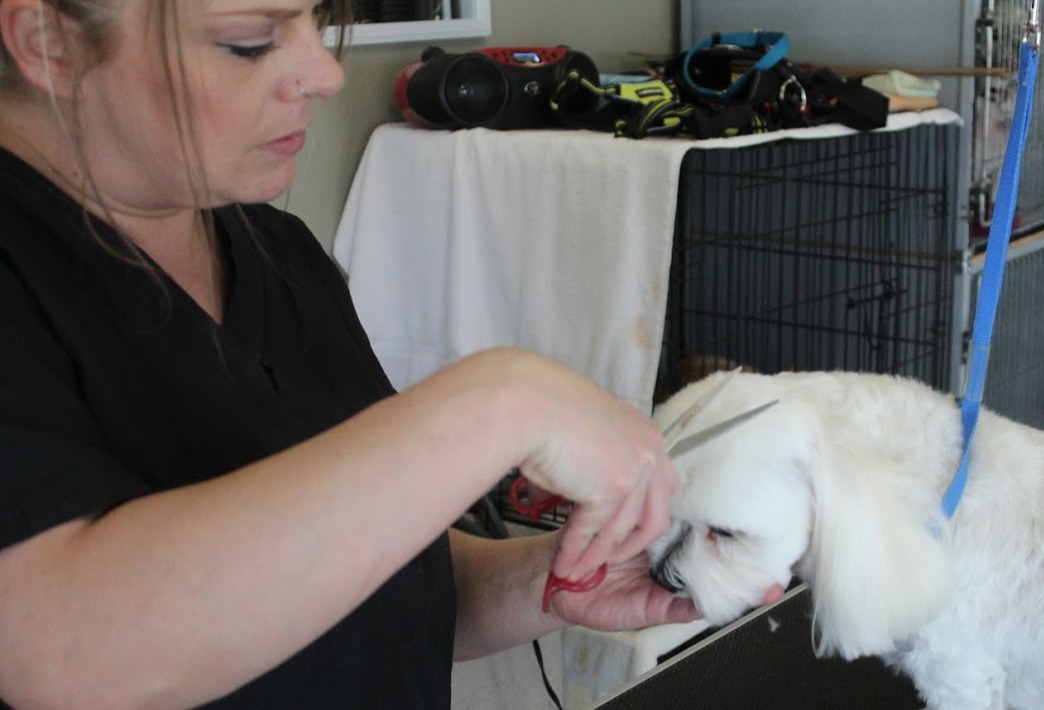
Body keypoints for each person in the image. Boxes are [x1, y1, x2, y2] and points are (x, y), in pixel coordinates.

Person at [0, 0, 698, 707]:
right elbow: (64, 650)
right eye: (250, 41)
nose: (327, 72)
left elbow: (374, 573)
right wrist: (502, 401)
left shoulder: (278, 253)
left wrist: (557, 580)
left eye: (321, 20)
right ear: (48, 41)